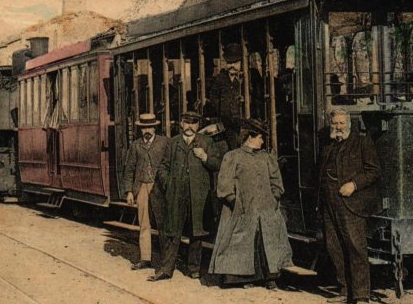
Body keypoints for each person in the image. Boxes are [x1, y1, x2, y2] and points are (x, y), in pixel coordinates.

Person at [208, 118, 293, 289]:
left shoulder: (267, 158)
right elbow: (224, 184)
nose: (262, 141)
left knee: (267, 242)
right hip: (242, 211)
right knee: (243, 241)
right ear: (250, 137)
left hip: (266, 210)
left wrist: (274, 197)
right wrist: (235, 203)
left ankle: (270, 278)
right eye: (260, 137)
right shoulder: (233, 157)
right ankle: (242, 279)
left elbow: (276, 181)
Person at [318, 109, 381, 304]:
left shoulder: (362, 142)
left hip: (352, 204)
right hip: (330, 204)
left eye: (341, 124)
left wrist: (354, 185)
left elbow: (374, 171)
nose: (338, 127)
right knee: (334, 247)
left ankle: (362, 295)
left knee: (355, 247)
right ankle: (344, 290)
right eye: (334, 124)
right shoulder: (329, 145)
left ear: (349, 125)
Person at [149, 111, 221, 281]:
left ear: (198, 125)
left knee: (197, 233)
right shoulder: (173, 143)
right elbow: (163, 167)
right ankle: (166, 269)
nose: (189, 126)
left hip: (198, 197)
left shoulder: (206, 142)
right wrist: (169, 185)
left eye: (193, 123)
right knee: (172, 232)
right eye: (186, 122)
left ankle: (194, 268)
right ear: (181, 124)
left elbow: (217, 164)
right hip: (176, 196)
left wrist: (205, 157)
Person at [121, 113, 168, 270]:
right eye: (143, 127)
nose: (147, 130)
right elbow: (129, 169)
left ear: (155, 127)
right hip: (141, 187)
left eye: (150, 127)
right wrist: (128, 191)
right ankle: (145, 258)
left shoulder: (164, 143)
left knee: (163, 224)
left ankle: (166, 261)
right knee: (144, 223)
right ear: (140, 129)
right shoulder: (135, 145)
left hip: (159, 187)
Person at [206, 43, 244, 149]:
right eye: (229, 63)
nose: (232, 66)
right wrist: (222, 110)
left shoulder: (248, 77)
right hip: (227, 123)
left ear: (241, 62)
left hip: (245, 121)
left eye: (235, 62)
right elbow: (213, 96)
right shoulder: (220, 79)